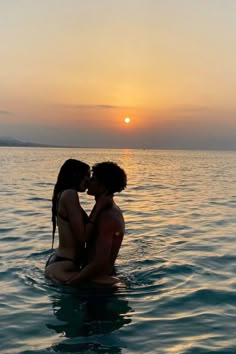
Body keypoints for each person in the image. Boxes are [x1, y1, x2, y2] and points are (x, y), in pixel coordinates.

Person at [65, 161, 127, 286]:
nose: (88, 181)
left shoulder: (107, 216)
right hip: (97, 278)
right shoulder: (107, 209)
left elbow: (99, 262)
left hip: (98, 287)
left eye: (93, 179)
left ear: (103, 186)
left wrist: (71, 283)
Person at [45, 159, 104, 282]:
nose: (88, 180)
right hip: (65, 265)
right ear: (76, 175)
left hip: (61, 261)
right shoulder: (70, 195)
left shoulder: (61, 194)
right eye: (86, 175)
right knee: (118, 284)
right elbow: (82, 236)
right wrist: (97, 208)